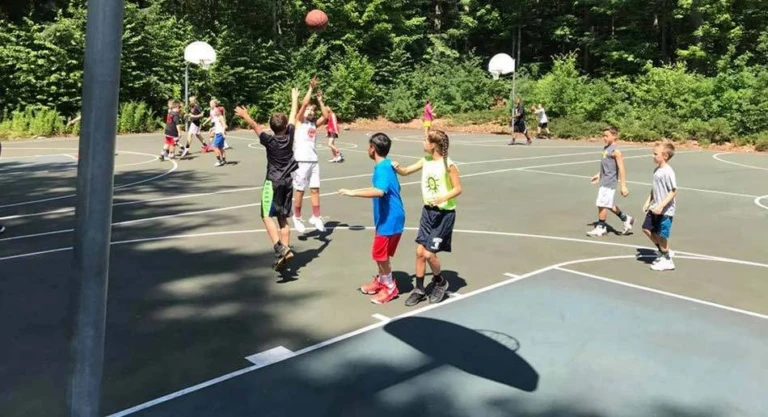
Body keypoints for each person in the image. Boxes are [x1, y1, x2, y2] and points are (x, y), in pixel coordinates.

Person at [392, 129, 462, 306]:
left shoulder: (448, 165)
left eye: (425, 140)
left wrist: (442, 198)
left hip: (444, 214)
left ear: (433, 145)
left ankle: (440, 281)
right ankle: (419, 289)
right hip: (428, 212)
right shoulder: (426, 160)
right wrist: (395, 166)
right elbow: (406, 171)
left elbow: (458, 188)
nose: (422, 143)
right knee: (419, 252)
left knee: (430, 254)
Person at [235, 88, 300, 271]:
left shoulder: (269, 141)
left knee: (265, 215)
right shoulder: (290, 136)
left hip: (272, 182)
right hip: (287, 182)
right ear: (286, 127)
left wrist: (245, 115)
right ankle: (284, 253)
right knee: (283, 219)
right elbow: (293, 115)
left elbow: (256, 126)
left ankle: (280, 247)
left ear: (271, 128)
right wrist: (294, 98)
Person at [339, 133, 405, 304]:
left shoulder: (383, 168)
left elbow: (379, 191)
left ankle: (390, 287)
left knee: (380, 255)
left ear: (372, 149)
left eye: (368, 146)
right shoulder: (385, 165)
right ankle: (383, 281)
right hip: (389, 217)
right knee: (380, 254)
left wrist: (353, 193)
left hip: (389, 218)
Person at [292, 76, 328, 233]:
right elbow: (304, 103)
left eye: (313, 110)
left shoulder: (313, 124)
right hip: (300, 161)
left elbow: (326, 117)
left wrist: (320, 101)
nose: (311, 111)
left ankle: (316, 216)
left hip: (313, 161)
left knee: (315, 189)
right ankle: (297, 217)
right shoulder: (298, 121)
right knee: (300, 190)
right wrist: (311, 89)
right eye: (309, 109)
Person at [587, 127, 634, 236]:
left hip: (610, 181)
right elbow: (605, 165)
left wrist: (623, 186)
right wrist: (599, 175)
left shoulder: (616, 151)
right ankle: (627, 219)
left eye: (606, 136)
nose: (604, 138)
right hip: (604, 179)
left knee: (601, 203)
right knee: (607, 203)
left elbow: (621, 168)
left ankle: (601, 227)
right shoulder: (606, 148)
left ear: (614, 136)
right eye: (603, 135)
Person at [642, 142, 678, 271]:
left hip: (665, 210)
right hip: (655, 207)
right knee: (647, 229)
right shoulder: (657, 170)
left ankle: (667, 260)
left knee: (662, 235)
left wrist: (662, 206)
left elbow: (673, 191)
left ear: (665, 156)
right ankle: (663, 251)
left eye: (655, 154)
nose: (653, 156)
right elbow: (654, 189)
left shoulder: (668, 172)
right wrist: (648, 202)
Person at [209, 100, 228, 167]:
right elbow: (218, 125)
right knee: (220, 147)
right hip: (218, 132)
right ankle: (224, 160)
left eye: (216, 110)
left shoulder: (220, 117)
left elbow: (224, 125)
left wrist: (223, 133)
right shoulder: (217, 117)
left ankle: (219, 161)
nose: (215, 111)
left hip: (220, 133)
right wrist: (212, 128)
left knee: (215, 147)